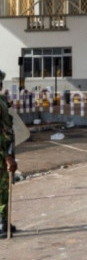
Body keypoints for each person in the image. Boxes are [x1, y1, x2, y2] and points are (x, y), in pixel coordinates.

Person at [0, 70, 18, 236]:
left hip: (6, 150)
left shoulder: (2, 101)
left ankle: (4, 222)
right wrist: (7, 157)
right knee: (2, 188)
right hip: (1, 154)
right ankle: (1, 223)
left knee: (4, 188)